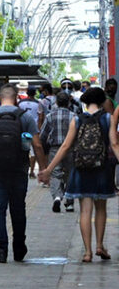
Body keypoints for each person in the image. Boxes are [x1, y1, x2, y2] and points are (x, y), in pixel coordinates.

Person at [38, 87, 117, 263]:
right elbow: (114, 143)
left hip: (81, 169)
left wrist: (49, 169)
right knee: (101, 209)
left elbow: (65, 146)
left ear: (85, 102)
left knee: (85, 211)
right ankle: (99, 245)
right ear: (102, 101)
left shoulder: (77, 119)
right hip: (101, 169)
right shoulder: (107, 118)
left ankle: (87, 252)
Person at [0, 84, 48, 263]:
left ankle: (1, 249)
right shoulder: (25, 117)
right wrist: (43, 169)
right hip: (19, 170)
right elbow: (37, 145)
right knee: (18, 209)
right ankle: (19, 248)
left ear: (0, 98)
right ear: (16, 99)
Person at [40, 90, 76, 213]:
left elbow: (43, 135)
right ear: (68, 102)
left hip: (55, 149)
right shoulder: (74, 116)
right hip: (71, 149)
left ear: (56, 102)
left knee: (55, 173)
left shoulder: (50, 116)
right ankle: (70, 201)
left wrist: (43, 150)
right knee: (70, 173)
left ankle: (57, 197)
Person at [18, 84, 41, 179]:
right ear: (35, 93)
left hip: (22, 129)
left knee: (23, 149)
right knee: (33, 151)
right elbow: (40, 117)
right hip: (33, 130)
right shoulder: (38, 103)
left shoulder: (20, 103)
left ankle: (23, 169)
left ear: (27, 92)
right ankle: (31, 171)